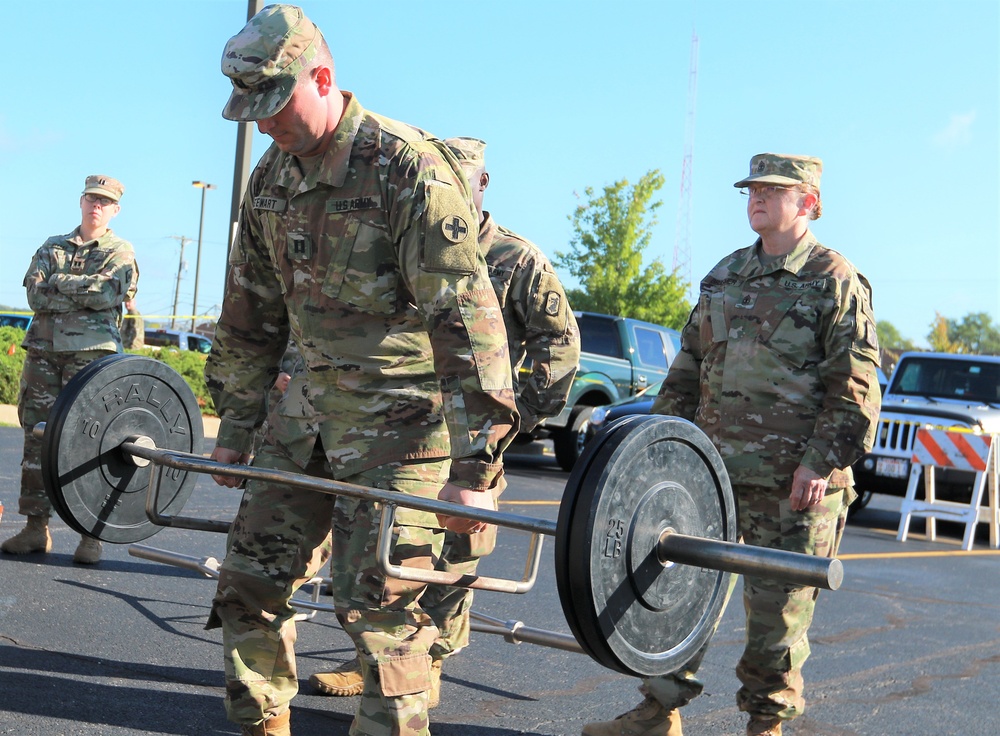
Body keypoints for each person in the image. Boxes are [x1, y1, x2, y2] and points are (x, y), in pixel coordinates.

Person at [205, 6, 517, 736]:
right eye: (251, 111)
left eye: (275, 105)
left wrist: (476, 471)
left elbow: (468, 328)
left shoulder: (406, 169)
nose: (265, 124)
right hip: (303, 419)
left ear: (323, 76)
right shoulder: (271, 177)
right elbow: (251, 315)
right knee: (249, 586)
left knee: (381, 613)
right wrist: (236, 426)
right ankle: (261, 725)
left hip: (400, 430)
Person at [581, 154, 881, 736]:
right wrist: (659, 453)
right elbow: (688, 371)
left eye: (773, 190)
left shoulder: (833, 280)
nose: (757, 198)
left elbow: (857, 388)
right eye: (752, 189)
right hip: (711, 478)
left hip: (796, 485)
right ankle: (657, 711)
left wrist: (819, 462)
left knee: (777, 618)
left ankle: (766, 725)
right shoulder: (725, 275)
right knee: (675, 597)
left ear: (809, 202)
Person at [308, 137, 581, 701]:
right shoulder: (404, 239)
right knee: (385, 553)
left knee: (456, 554)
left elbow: (559, 345)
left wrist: (516, 418)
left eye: (465, 179)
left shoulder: (515, 258)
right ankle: (381, 667)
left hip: (470, 436)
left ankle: (427, 669)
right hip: (398, 430)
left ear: (482, 186)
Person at [2, 175, 139, 565]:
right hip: (43, 353)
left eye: (105, 201)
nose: (96, 205)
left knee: (91, 443)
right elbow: (34, 294)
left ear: (115, 210)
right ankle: (34, 528)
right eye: (91, 198)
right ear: (81, 201)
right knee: (36, 438)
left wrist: (58, 283)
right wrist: (80, 291)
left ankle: (89, 535)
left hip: (91, 357)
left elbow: (109, 293)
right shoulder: (52, 246)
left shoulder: (120, 251)